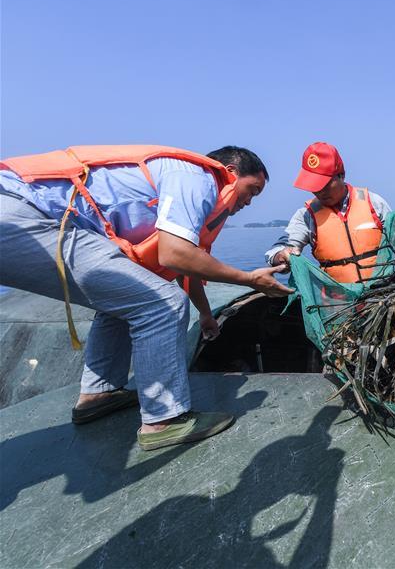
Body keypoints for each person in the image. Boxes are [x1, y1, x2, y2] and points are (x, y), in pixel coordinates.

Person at [0, 144, 293, 450]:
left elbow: (187, 267)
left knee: (126, 295)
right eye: (252, 190)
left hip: (26, 214)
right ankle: (164, 420)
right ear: (230, 173)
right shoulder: (197, 178)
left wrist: (206, 315)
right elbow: (174, 254)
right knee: (163, 304)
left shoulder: (194, 200)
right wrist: (248, 279)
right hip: (23, 214)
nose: (250, 201)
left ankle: (99, 393)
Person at [265, 142, 391, 284]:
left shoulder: (373, 203)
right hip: (338, 301)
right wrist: (281, 256)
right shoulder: (307, 216)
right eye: (313, 186)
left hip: (383, 292)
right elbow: (277, 249)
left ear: (341, 175)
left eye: (324, 184)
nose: (320, 191)